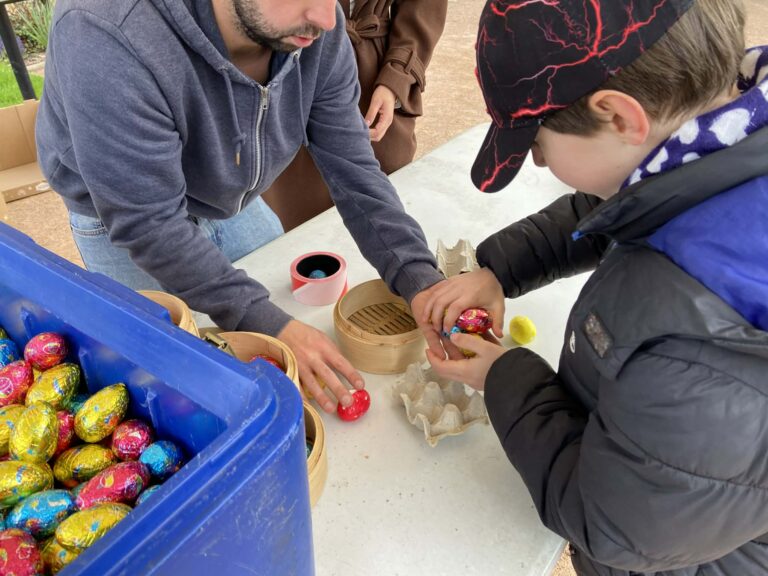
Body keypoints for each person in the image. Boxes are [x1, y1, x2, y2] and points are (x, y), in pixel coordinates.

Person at [424, 0, 768, 574]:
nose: (535, 162)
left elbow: (608, 523)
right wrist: (500, 268)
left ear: (618, 116)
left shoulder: (697, 344)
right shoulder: (725, 138)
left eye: (537, 143)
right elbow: (631, 204)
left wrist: (502, 375)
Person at [35, 0, 446, 413]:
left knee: (276, 325)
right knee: (167, 383)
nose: (327, 18)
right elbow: (149, 223)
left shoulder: (317, 21)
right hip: (121, 218)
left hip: (229, 199)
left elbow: (353, 167)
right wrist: (266, 323)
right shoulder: (105, 30)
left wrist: (419, 279)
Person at [261, 0, 448, 232]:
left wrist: (396, 78)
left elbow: (423, 8)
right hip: (294, 67)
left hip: (373, 83)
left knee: (381, 214)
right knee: (293, 222)